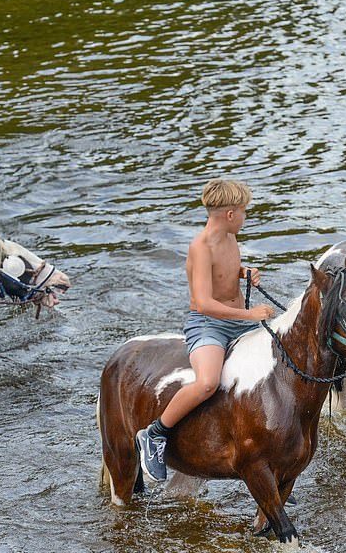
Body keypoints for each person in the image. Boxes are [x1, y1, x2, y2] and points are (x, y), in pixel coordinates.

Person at [136, 179, 275, 482]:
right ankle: (155, 434)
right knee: (208, 383)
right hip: (208, 325)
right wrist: (249, 314)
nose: (245, 218)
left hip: (237, 322)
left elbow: (223, 271)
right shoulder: (200, 247)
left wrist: (243, 272)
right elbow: (203, 302)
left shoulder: (229, 238)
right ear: (229, 215)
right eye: (243, 212)